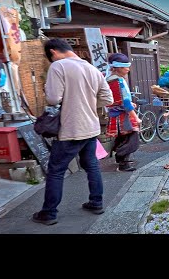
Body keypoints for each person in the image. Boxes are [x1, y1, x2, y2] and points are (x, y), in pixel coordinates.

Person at [32, 38, 114, 225]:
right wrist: (88, 105)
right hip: (91, 127)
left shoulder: (58, 66)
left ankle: (49, 213)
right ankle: (96, 202)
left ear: (53, 52)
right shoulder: (92, 69)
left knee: (56, 170)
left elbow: (53, 99)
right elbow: (107, 98)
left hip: (71, 128)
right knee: (91, 165)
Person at [105, 53, 140, 172]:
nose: (128, 69)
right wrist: (135, 117)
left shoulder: (108, 80)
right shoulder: (118, 81)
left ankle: (120, 159)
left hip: (116, 113)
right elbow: (125, 101)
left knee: (122, 137)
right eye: (126, 67)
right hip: (123, 115)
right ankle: (123, 162)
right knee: (132, 138)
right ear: (118, 68)